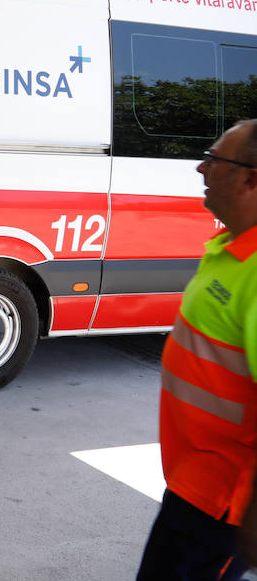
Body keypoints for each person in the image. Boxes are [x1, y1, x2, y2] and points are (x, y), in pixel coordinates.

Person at [137, 119, 257, 580]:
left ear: (250, 178)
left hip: (223, 506)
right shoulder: (229, 246)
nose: (201, 168)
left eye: (216, 159)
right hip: (193, 484)